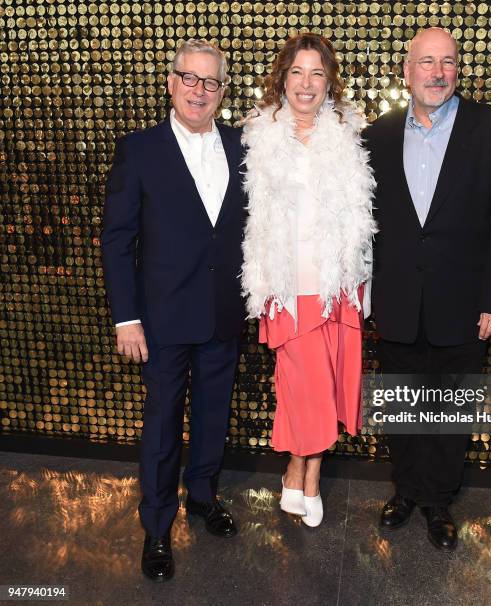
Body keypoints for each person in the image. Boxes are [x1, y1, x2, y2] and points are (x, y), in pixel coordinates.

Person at [365, 27, 491, 550]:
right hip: (396, 302)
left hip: (464, 303)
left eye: (448, 62)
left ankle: (437, 501)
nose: (437, 73)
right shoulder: (377, 136)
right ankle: (406, 490)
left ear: (459, 69)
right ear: (406, 71)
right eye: (426, 62)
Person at [102, 39, 246, 581]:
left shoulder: (242, 147)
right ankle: (157, 526)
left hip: (222, 314)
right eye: (189, 78)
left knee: (213, 415)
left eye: (210, 82)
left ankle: (204, 498)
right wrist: (126, 317)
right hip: (159, 319)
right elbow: (117, 240)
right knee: (162, 425)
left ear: (222, 92)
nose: (198, 90)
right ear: (170, 82)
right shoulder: (138, 150)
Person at [240, 33, 376, 528]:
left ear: (329, 82)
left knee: (319, 385)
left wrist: (362, 282)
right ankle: (308, 473)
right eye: (297, 72)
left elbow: (361, 219)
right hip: (283, 285)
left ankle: (301, 471)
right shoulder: (255, 139)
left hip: (334, 284)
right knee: (306, 384)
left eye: (317, 73)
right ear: (283, 79)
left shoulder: (347, 137)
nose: (306, 82)